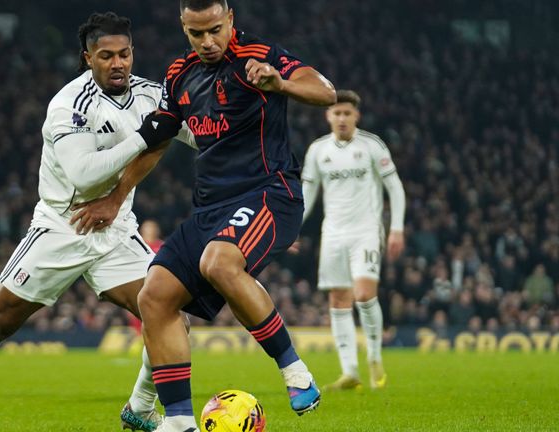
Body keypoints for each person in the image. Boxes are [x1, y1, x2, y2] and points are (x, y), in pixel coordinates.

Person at [0, 12, 193, 432]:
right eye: (107, 55)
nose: (118, 63)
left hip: (116, 230)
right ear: (88, 58)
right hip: (62, 227)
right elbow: (84, 175)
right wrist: (144, 136)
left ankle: (140, 407)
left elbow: (196, 133)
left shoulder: (151, 95)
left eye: (125, 54)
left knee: (169, 314)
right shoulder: (69, 105)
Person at [94, 1, 336, 430]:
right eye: (196, 33)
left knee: (219, 262)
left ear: (230, 20)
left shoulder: (259, 55)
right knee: (154, 295)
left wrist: (280, 83)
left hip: (268, 193)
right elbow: (159, 140)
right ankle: (178, 421)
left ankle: (295, 371)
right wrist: (116, 196)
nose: (207, 41)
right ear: (183, 27)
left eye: (215, 30)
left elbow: (325, 91)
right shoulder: (179, 74)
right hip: (210, 208)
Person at [300, 89, 406, 391]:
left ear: (356, 115)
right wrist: (291, 228)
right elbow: (307, 194)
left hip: (366, 230)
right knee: (338, 299)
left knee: (363, 294)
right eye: (337, 113)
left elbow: (395, 187)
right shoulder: (318, 150)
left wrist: (397, 228)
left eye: (347, 113)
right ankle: (350, 372)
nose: (342, 118)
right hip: (333, 232)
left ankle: (374, 357)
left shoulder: (372, 145)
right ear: (328, 115)